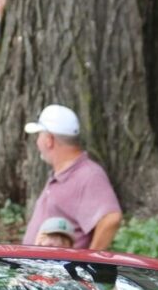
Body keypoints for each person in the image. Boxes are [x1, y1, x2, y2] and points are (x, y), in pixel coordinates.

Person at [21, 104, 122, 251]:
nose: (37, 142)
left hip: (60, 267)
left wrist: (89, 260)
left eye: (39, 136)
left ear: (49, 140)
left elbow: (111, 218)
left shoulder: (88, 175)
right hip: (40, 265)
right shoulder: (63, 173)